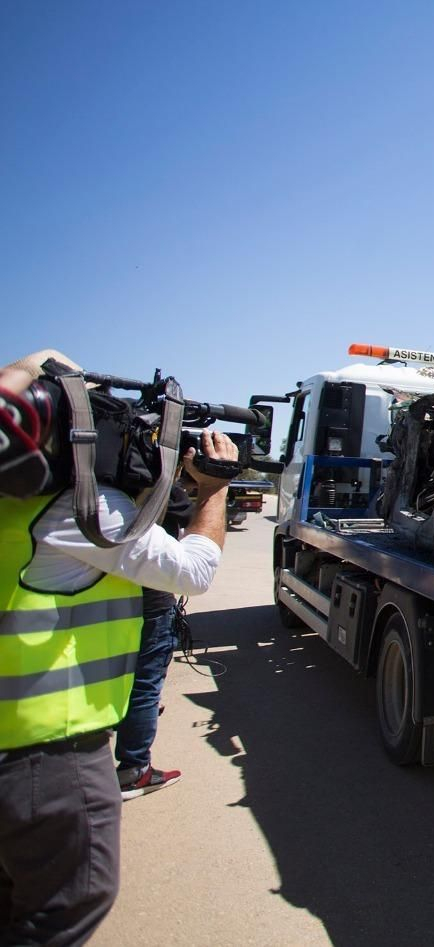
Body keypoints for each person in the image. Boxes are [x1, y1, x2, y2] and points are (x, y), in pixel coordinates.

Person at [0, 350, 236, 944]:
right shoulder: (85, 509)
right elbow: (195, 571)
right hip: (43, 750)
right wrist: (213, 490)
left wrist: (39, 364)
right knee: (70, 904)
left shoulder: (15, 505)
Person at [113, 485, 194, 799]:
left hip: (106, 596)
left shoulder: (90, 493)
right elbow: (190, 520)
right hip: (151, 598)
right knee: (144, 685)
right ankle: (134, 769)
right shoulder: (157, 486)